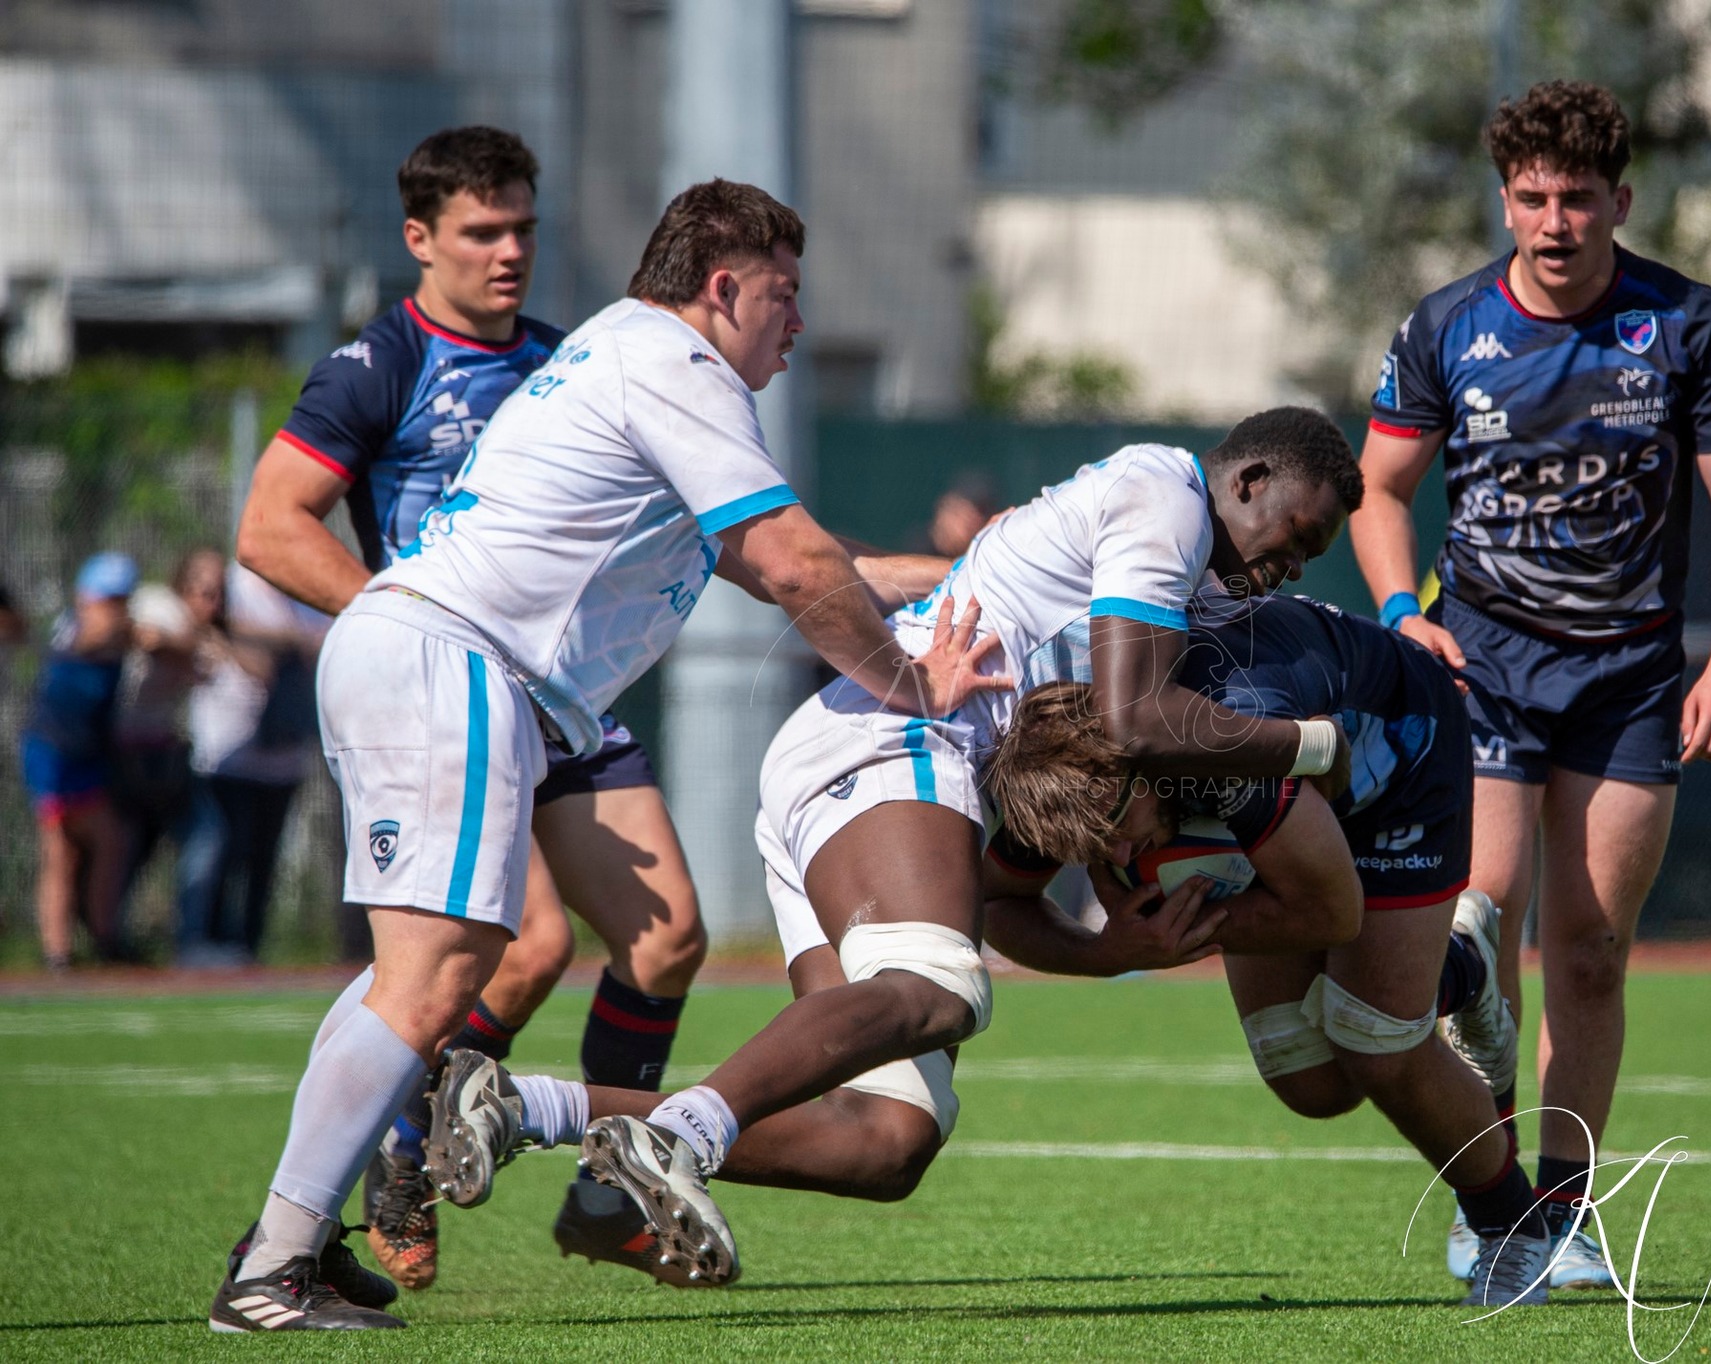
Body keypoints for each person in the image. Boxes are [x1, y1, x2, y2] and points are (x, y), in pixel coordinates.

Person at [208, 175, 1004, 1332]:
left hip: (432, 656)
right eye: (784, 296)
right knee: (438, 974)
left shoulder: (619, 355)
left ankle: (294, 1242)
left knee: (431, 968)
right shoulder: (674, 363)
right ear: (723, 288)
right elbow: (788, 561)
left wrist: (959, 579)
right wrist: (912, 678)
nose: (796, 324)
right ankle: (272, 1269)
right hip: (457, 659)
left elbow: (789, 558)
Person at [419, 409, 1364, 1291]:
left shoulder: (1175, 557)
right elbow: (1136, 714)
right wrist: (1316, 746)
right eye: (1300, 534)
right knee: (944, 987)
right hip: (896, 743)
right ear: (1247, 480)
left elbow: (1008, 894)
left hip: (866, 758)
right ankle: (682, 1135)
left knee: (887, 1139)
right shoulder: (1169, 492)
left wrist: (1104, 954)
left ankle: (524, 1107)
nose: (1295, 565)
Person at [236, 125, 707, 1290]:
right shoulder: (375, 365)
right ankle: (402, 1150)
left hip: (564, 691)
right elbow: (269, 527)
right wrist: (409, 616)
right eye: (481, 230)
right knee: (527, 944)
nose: (509, 251)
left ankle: (608, 1185)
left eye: (523, 228)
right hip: (453, 691)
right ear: (420, 239)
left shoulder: (566, 362)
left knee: (667, 937)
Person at [1349, 80, 1711, 1290]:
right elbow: (1377, 491)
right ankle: (1489, 1204)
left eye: (1575, 197)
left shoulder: (1684, 324)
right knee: (1473, 931)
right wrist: (1396, 614)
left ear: (1617, 201)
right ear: (1504, 201)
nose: (1552, 220)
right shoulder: (1445, 324)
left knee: (1590, 951)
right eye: (1530, 197)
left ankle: (1563, 1209)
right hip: (1478, 666)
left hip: (1629, 677)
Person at [982, 592, 1552, 1307]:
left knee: (1372, 1036)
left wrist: (1177, 939)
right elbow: (997, 901)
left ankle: (1512, 1228)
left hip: (1399, 762)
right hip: (1295, 793)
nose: (1119, 852)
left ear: (1137, 761)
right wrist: (1108, 953)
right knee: (1309, 1081)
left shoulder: (1215, 752)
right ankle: (1446, 970)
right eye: (1095, 849)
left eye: (1119, 824)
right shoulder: (1064, 784)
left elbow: (1332, 912)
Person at [182, 565, 329, 963]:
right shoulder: (232, 586)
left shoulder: (305, 587)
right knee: (216, 852)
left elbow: (322, 639)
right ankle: (197, 942)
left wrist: (258, 638)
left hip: (283, 756)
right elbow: (198, 622)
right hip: (226, 754)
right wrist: (279, 643)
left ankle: (247, 948)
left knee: (263, 861)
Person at [22, 553, 137, 970]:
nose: (113, 609)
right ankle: (57, 952)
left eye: (120, 600)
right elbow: (89, 638)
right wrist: (122, 630)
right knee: (60, 853)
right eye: (107, 599)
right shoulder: (71, 628)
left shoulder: (120, 634)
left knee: (110, 844)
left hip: (88, 755)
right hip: (54, 756)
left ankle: (104, 938)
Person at [114, 548, 218, 939]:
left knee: (203, 835)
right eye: (203, 591)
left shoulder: (200, 629)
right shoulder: (162, 605)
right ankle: (106, 939)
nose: (212, 602)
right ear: (181, 585)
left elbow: (209, 673)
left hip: (162, 750)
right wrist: (195, 647)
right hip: (125, 749)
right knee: (126, 846)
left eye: (218, 593)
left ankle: (189, 940)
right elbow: (147, 636)